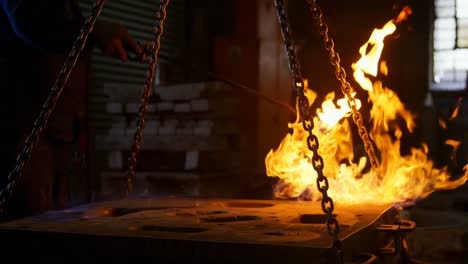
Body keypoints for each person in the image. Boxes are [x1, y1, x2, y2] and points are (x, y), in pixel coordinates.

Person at [0, 0, 142, 219]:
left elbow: (63, 30)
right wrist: (93, 30)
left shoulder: (64, 6)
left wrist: (96, 36)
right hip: (24, 139)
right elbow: (29, 23)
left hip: (59, 138)